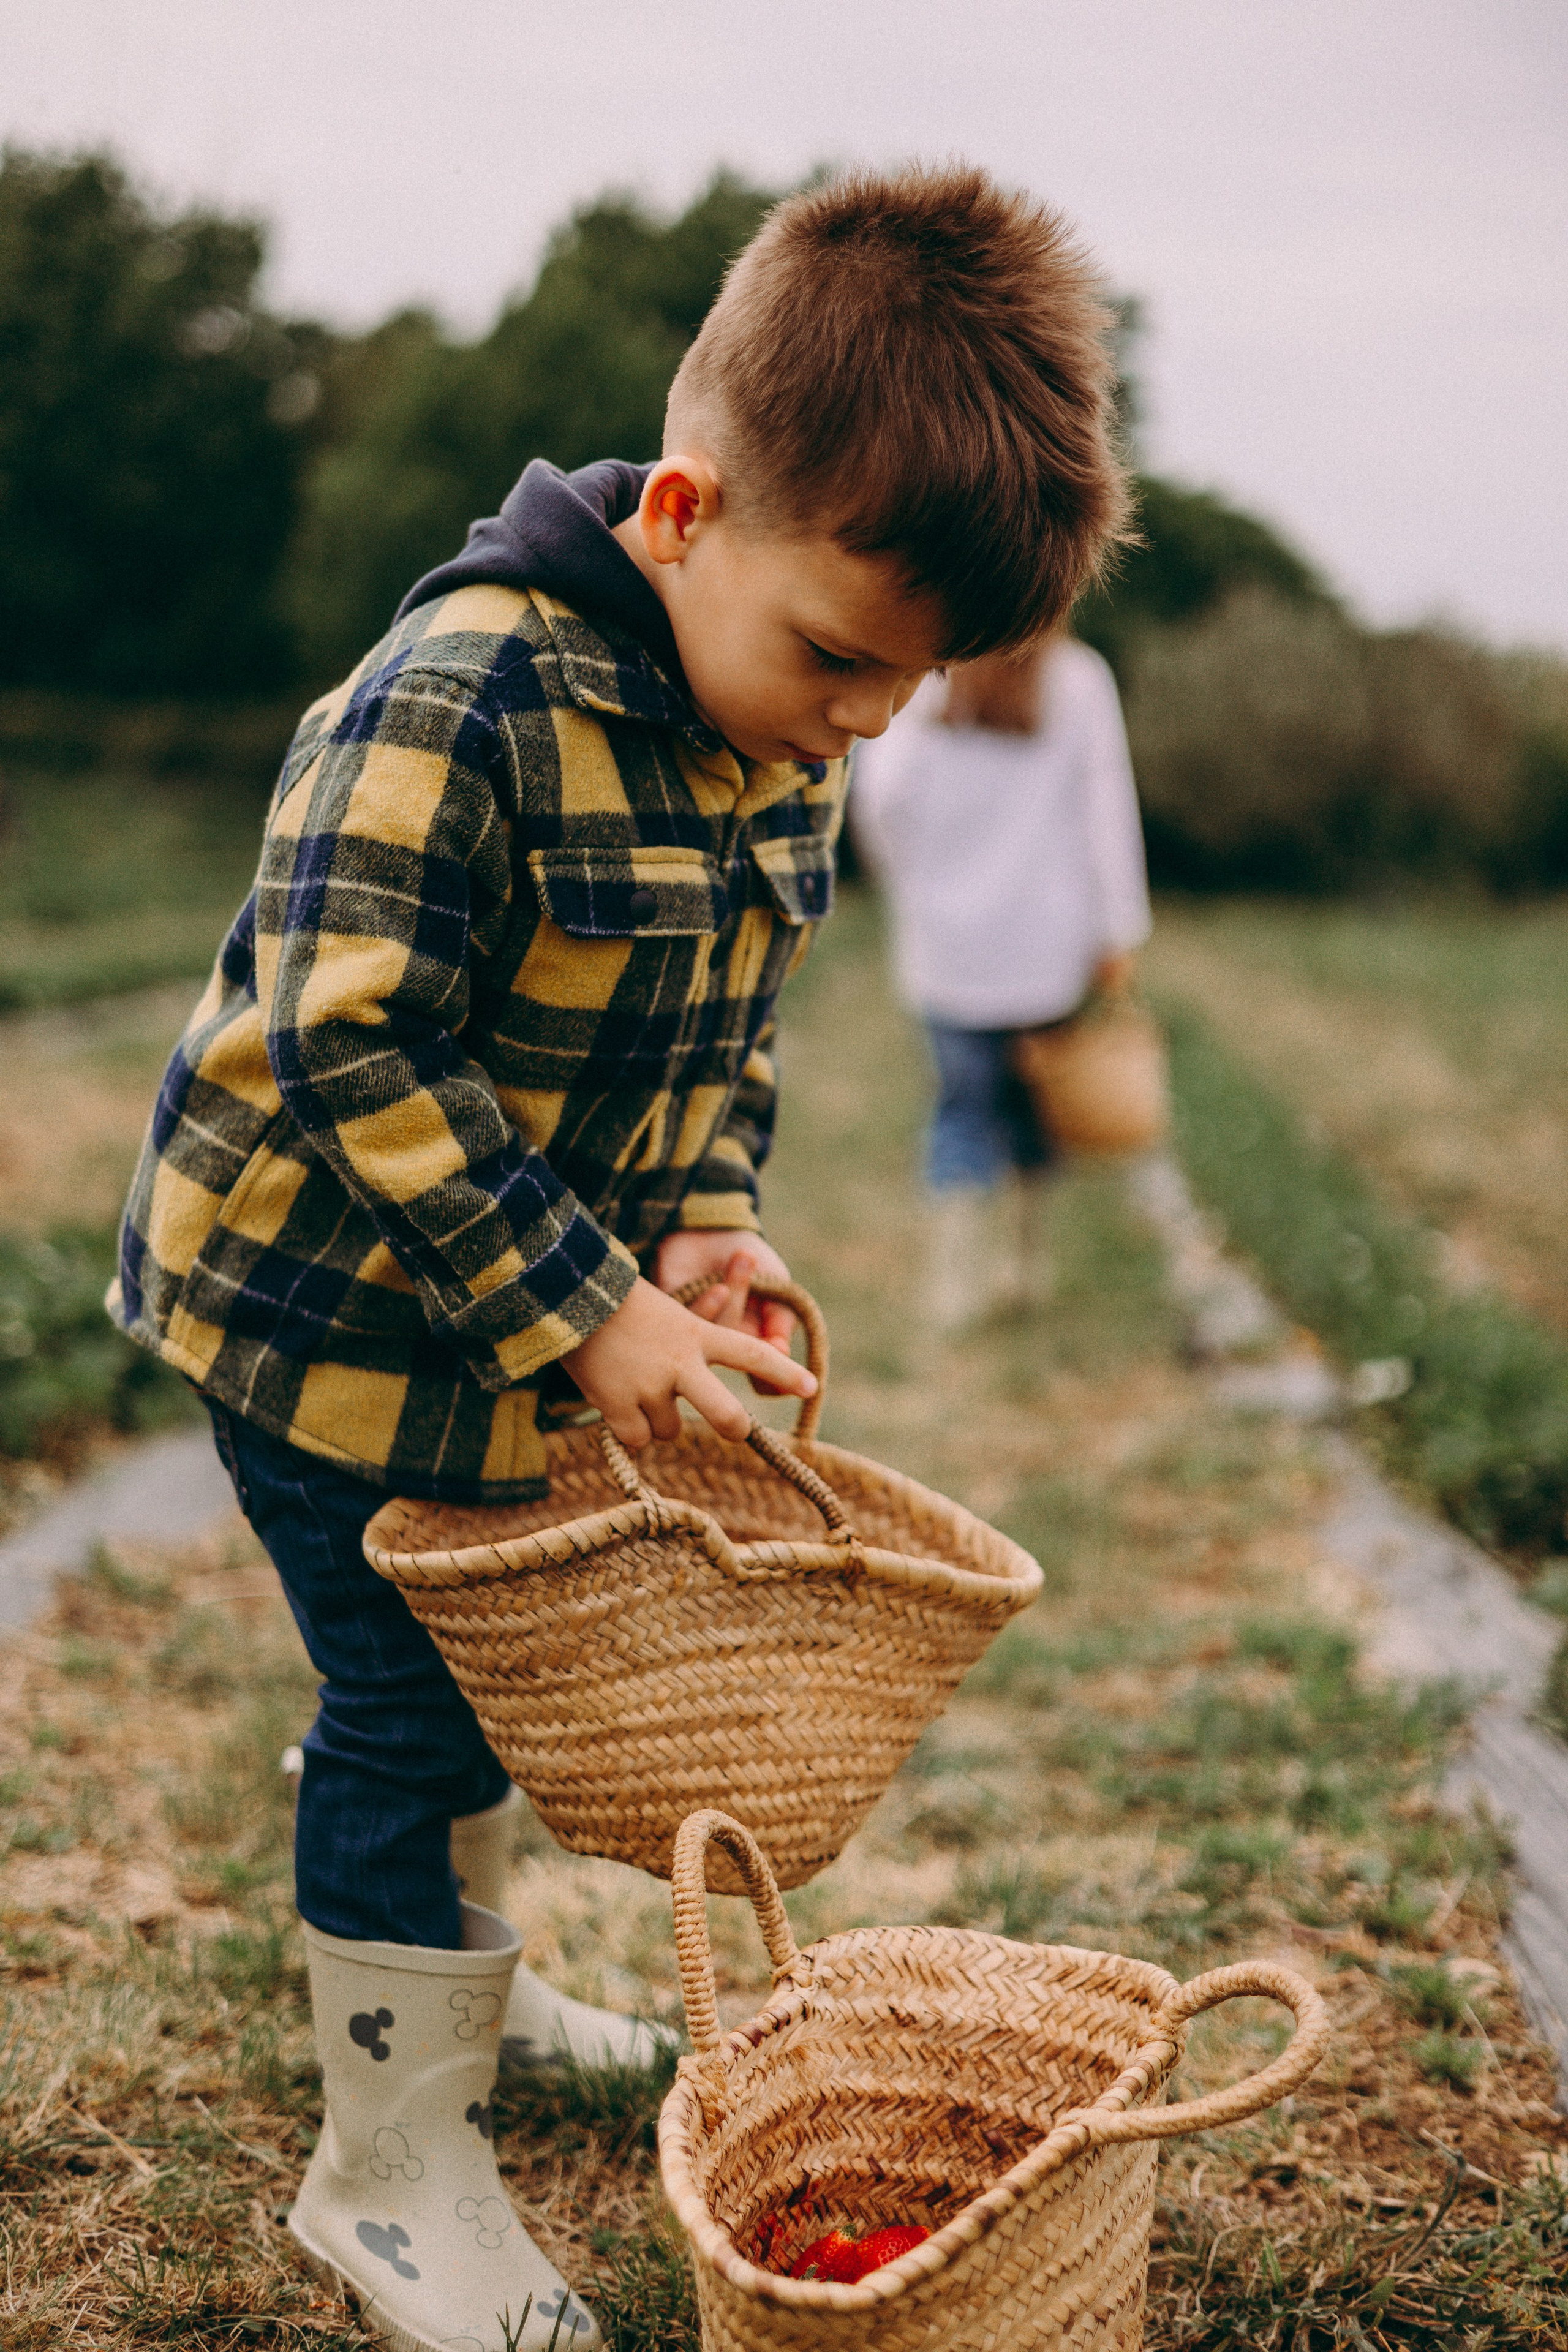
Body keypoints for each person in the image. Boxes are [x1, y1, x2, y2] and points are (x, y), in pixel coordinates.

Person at [108, 164, 1129, 2350]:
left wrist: (705, 1225)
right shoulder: (465, 696)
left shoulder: (781, 740)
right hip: (317, 1312)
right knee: (410, 1703)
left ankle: (463, 2002)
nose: (865, 722)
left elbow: (717, 1037)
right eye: (841, 661)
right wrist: (582, 1306)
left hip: (507, 1327)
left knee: (475, 1689)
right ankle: (384, 2175)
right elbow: (337, 1020)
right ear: (677, 512)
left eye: (913, 687)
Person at [853, 631, 1152, 1334]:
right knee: (1034, 1107)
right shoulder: (1079, 679)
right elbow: (1105, 809)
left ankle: (954, 1288)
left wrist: (911, 883)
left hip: (948, 944)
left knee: (959, 1109)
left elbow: (880, 799)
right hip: (1048, 942)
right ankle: (1023, 1266)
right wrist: (1117, 928)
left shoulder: (925, 670)